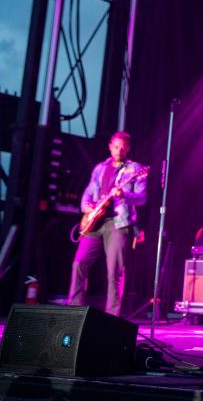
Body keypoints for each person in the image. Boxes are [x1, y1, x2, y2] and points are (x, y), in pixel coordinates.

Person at [67, 131, 147, 316]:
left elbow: (142, 198)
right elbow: (88, 193)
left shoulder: (135, 169)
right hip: (95, 222)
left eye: (123, 148)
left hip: (117, 223)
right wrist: (86, 207)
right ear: (110, 146)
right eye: (116, 147)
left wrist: (125, 195)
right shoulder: (100, 168)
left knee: (114, 271)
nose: (119, 151)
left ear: (128, 149)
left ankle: (112, 316)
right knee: (79, 263)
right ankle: (74, 312)